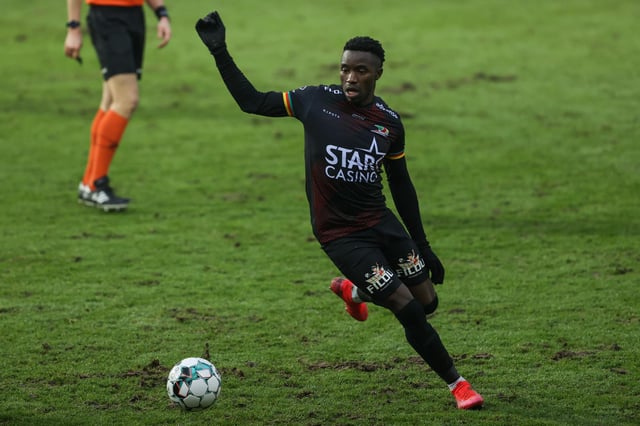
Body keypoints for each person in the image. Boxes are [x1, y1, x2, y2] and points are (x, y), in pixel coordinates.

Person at [195, 11, 485, 410]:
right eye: (345, 69)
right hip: (340, 234)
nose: (350, 77)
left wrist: (423, 244)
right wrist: (219, 51)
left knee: (429, 301)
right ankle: (459, 385)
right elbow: (252, 102)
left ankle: (353, 289)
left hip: (381, 221)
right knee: (409, 308)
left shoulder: (389, 123)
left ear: (377, 73)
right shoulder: (315, 101)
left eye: (360, 71)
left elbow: (401, 184)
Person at [64, 0, 172, 212]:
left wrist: (161, 12)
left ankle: (89, 183)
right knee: (127, 100)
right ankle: (97, 184)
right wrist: (73, 27)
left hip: (134, 16)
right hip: (107, 17)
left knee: (111, 101)